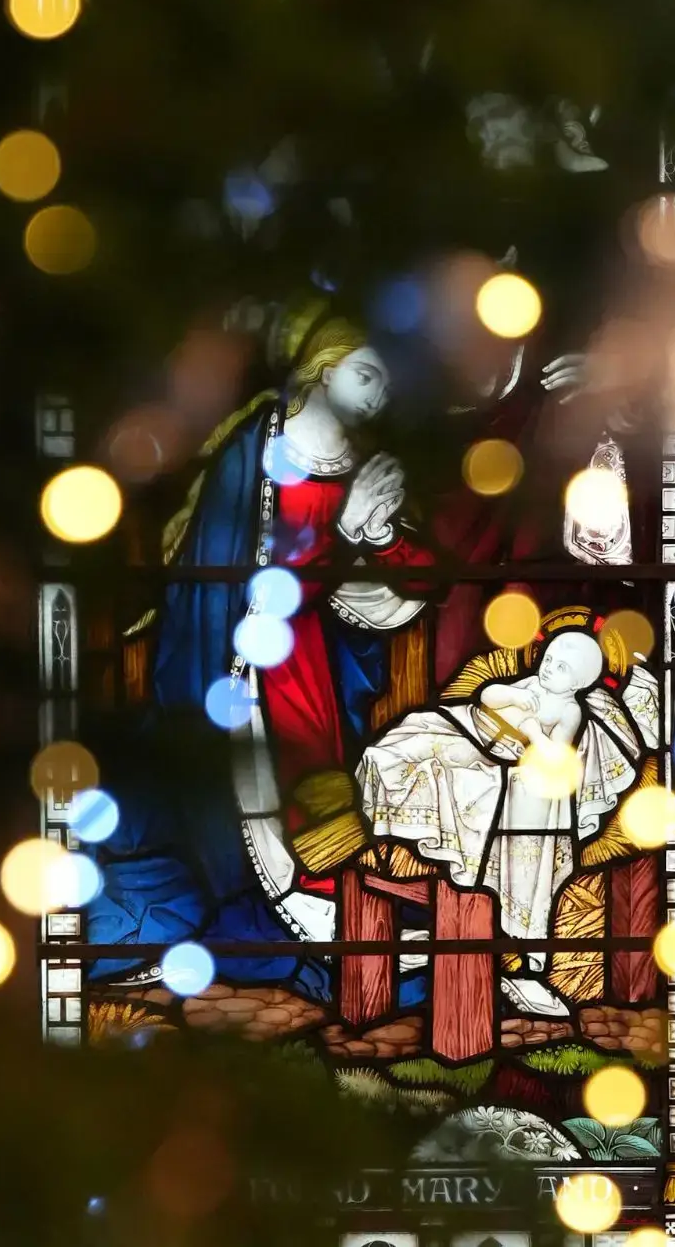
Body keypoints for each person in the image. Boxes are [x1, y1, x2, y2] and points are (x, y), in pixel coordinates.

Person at [89, 301, 435, 993]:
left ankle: (328, 913)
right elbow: (236, 588)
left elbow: (408, 578)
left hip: (320, 660)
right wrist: (347, 537)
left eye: (388, 384)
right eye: (368, 374)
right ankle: (280, 912)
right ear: (320, 369)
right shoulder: (252, 451)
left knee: (316, 784)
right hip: (239, 664)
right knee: (255, 792)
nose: (379, 394)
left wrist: (370, 533)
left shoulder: (367, 465)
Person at [358, 628, 660, 1016]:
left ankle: (509, 956)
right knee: (412, 740)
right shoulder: (532, 684)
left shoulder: (570, 711)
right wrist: (516, 696)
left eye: (561, 667)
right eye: (549, 659)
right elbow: (487, 696)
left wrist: (533, 730)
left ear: (580, 682)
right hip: (477, 733)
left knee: (482, 787)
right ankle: (386, 789)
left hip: (506, 762)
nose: (549, 669)